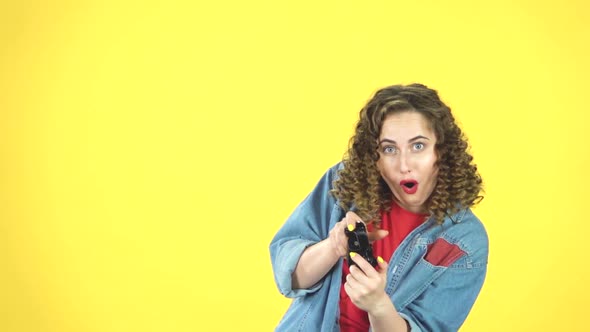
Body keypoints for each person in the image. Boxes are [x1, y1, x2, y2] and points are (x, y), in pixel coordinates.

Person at [269, 83, 488, 332]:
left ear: (442, 151)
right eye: (389, 149)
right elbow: (290, 279)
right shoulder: (344, 183)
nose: (404, 164)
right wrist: (333, 246)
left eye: (418, 146)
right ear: (375, 157)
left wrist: (378, 306)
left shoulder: (465, 240)